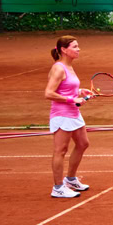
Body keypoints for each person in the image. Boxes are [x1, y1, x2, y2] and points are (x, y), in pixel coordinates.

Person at [42, 36, 92, 199]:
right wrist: (72, 99)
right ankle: (57, 187)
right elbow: (49, 93)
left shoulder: (69, 67)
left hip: (73, 113)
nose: (78, 49)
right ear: (64, 50)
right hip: (62, 114)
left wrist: (80, 92)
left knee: (83, 144)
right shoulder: (59, 68)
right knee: (60, 150)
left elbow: (66, 88)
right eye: (75, 47)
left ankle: (70, 179)